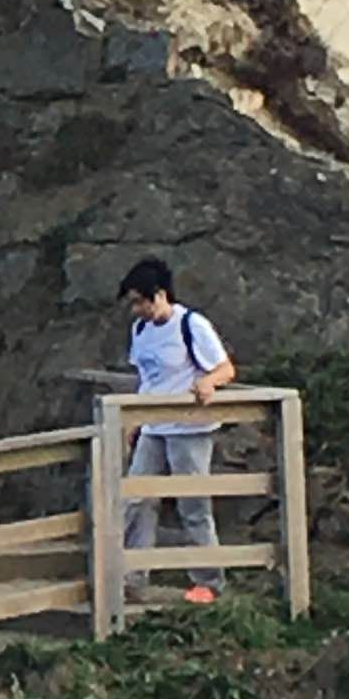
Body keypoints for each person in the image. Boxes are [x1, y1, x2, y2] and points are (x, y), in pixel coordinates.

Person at [116, 257, 236, 603]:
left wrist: (208, 382)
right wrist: (135, 419)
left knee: (192, 504)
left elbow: (225, 369)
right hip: (154, 425)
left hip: (190, 427)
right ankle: (132, 575)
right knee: (136, 497)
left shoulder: (191, 325)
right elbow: (148, 380)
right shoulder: (140, 331)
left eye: (140, 301)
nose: (137, 309)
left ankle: (209, 582)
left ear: (160, 295)